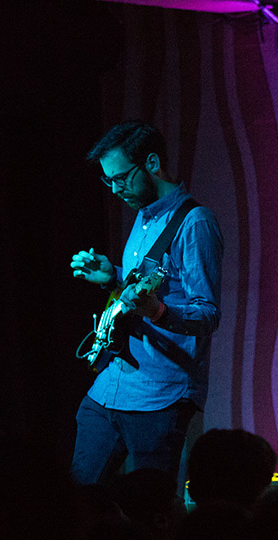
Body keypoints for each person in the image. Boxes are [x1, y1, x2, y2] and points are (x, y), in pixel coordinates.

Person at [70, 120, 223, 486]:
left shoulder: (194, 223)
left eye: (121, 178)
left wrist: (157, 311)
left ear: (152, 163)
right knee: (77, 499)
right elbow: (151, 285)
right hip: (111, 385)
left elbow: (207, 314)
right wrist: (114, 277)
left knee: (148, 513)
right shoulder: (143, 216)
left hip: (160, 395)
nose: (115, 188)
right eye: (108, 181)